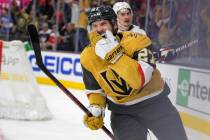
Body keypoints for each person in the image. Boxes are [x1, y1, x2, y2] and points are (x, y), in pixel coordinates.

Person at [80, 6, 188, 140]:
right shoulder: (87, 57)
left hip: (157, 106)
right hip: (123, 114)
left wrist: (114, 55)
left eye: (103, 24)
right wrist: (97, 108)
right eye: (94, 25)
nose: (99, 29)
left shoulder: (138, 41)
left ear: (114, 24)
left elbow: (139, 80)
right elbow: (96, 90)